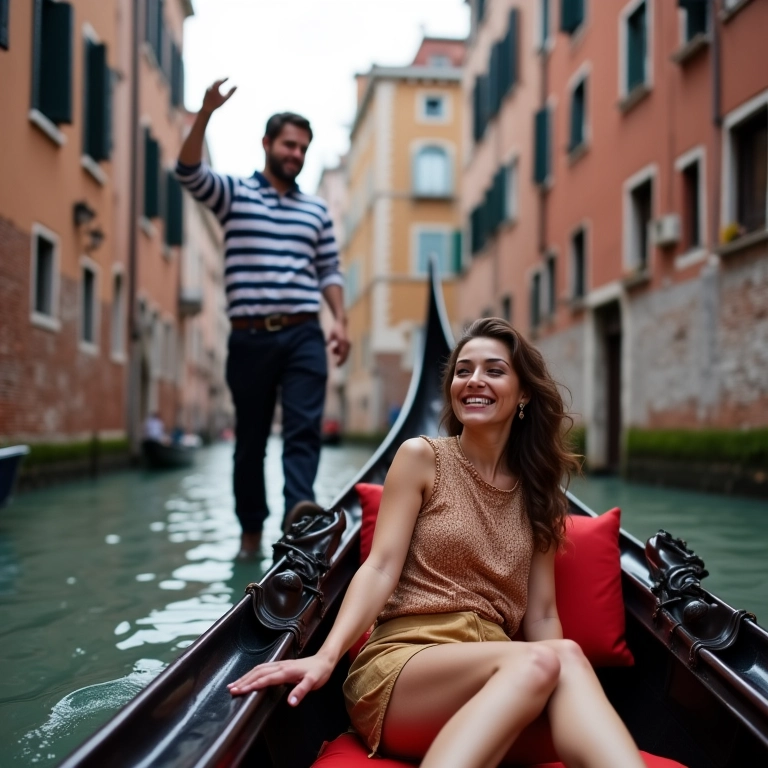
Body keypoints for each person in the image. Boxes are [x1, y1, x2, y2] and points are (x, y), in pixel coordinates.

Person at [227, 318, 646, 768]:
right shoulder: (421, 458)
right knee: (543, 662)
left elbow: (543, 615)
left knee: (563, 657)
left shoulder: (539, 495)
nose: (474, 381)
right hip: (408, 666)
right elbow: (380, 568)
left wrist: (557, 690)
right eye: (463, 371)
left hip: (502, 677)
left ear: (524, 394)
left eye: (494, 370)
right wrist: (326, 657)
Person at [176, 80, 350, 560]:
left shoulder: (316, 211)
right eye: (289, 144)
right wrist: (206, 113)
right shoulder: (233, 193)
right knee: (250, 442)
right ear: (268, 144)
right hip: (250, 338)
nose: (296, 154)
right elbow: (188, 171)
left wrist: (340, 321)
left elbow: (329, 270)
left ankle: (297, 525)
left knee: (302, 432)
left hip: (303, 335)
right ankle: (250, 534)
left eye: (303, 148)